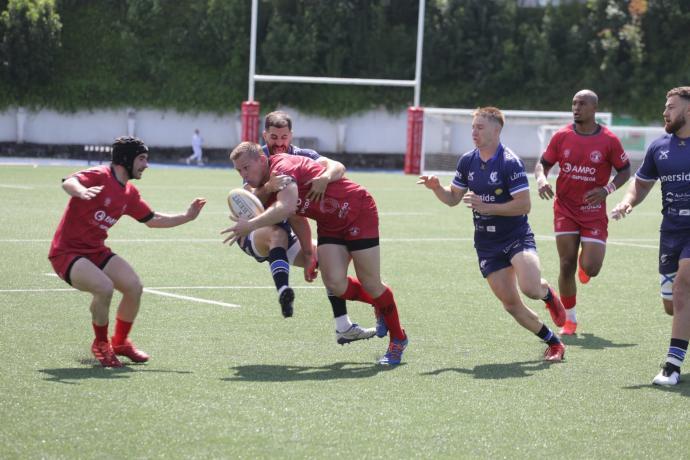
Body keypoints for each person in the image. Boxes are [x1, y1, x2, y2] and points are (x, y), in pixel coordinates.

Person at [222, 142, 408, 365]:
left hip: (357, 211)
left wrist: (250, 225)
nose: (243, 174)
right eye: (238, 171)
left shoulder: (281, 167)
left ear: (262, 159)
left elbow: (289, 206)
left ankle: (398, 338)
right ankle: (380, 305)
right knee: (335, 283)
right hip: (330, 225)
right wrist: (309, 254)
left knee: (371, 283)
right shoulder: (267, 187)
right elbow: (297, 218)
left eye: (246, 167)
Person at [418, 107, 567, 362]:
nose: (474, 132)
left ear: (496, 130)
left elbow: (524, 205)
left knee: (530, 288)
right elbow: (453, 198)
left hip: (516, 236)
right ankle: (554, 343)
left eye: (480, 127)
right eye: (473, 127)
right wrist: (436, 188)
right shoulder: (467, 161)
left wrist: (489, 208)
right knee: (511, 305)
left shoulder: (510, 162)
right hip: (487, 244)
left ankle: (547, 294)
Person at [48, 136, 206, 367]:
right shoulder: (100, 175)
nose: (146, 165)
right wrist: (80, 191)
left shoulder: (129, 193)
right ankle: (101, 344)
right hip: (66, 253)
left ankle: (120, 343)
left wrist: (187, 216)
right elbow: (68, 182)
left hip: (96, 251)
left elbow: (153, 220)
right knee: (104, 288)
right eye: (142, 159)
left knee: (134, 287)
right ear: (126, 159)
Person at [237, 110, 376, 345]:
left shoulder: (303, 156)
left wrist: (325, 177)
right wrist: (269, 187)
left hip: (290, 226)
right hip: (255, 229)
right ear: (264, 135)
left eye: (283, 137)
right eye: (273, 137)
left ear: (291, 135)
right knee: (276, 234)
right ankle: (283, 291)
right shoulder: (256, 158)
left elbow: (337, 167)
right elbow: (249, 198)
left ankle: (344, 327)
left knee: (326, 260)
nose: (279, 143)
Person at [611, 86, 690, 386]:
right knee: (672, 304)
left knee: (684, 289)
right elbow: (641, 184)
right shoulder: (659, 147)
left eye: (671, 107)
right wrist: (627, 202)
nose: (665, 112)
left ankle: (671, 366)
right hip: (670, 231)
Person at [534, 89, 631, 335]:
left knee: (592, 268)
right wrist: (541, 180)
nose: (576, 108)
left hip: (594, 211)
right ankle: (570, 318)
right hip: (565, 208)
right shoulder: (562, 136)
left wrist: (607, 189)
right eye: (574, 104)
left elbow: (625, 170)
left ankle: (584, 263)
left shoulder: (609, 140)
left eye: (582, 104)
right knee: (565, 264)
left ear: (594, 108)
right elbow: (542, 164)